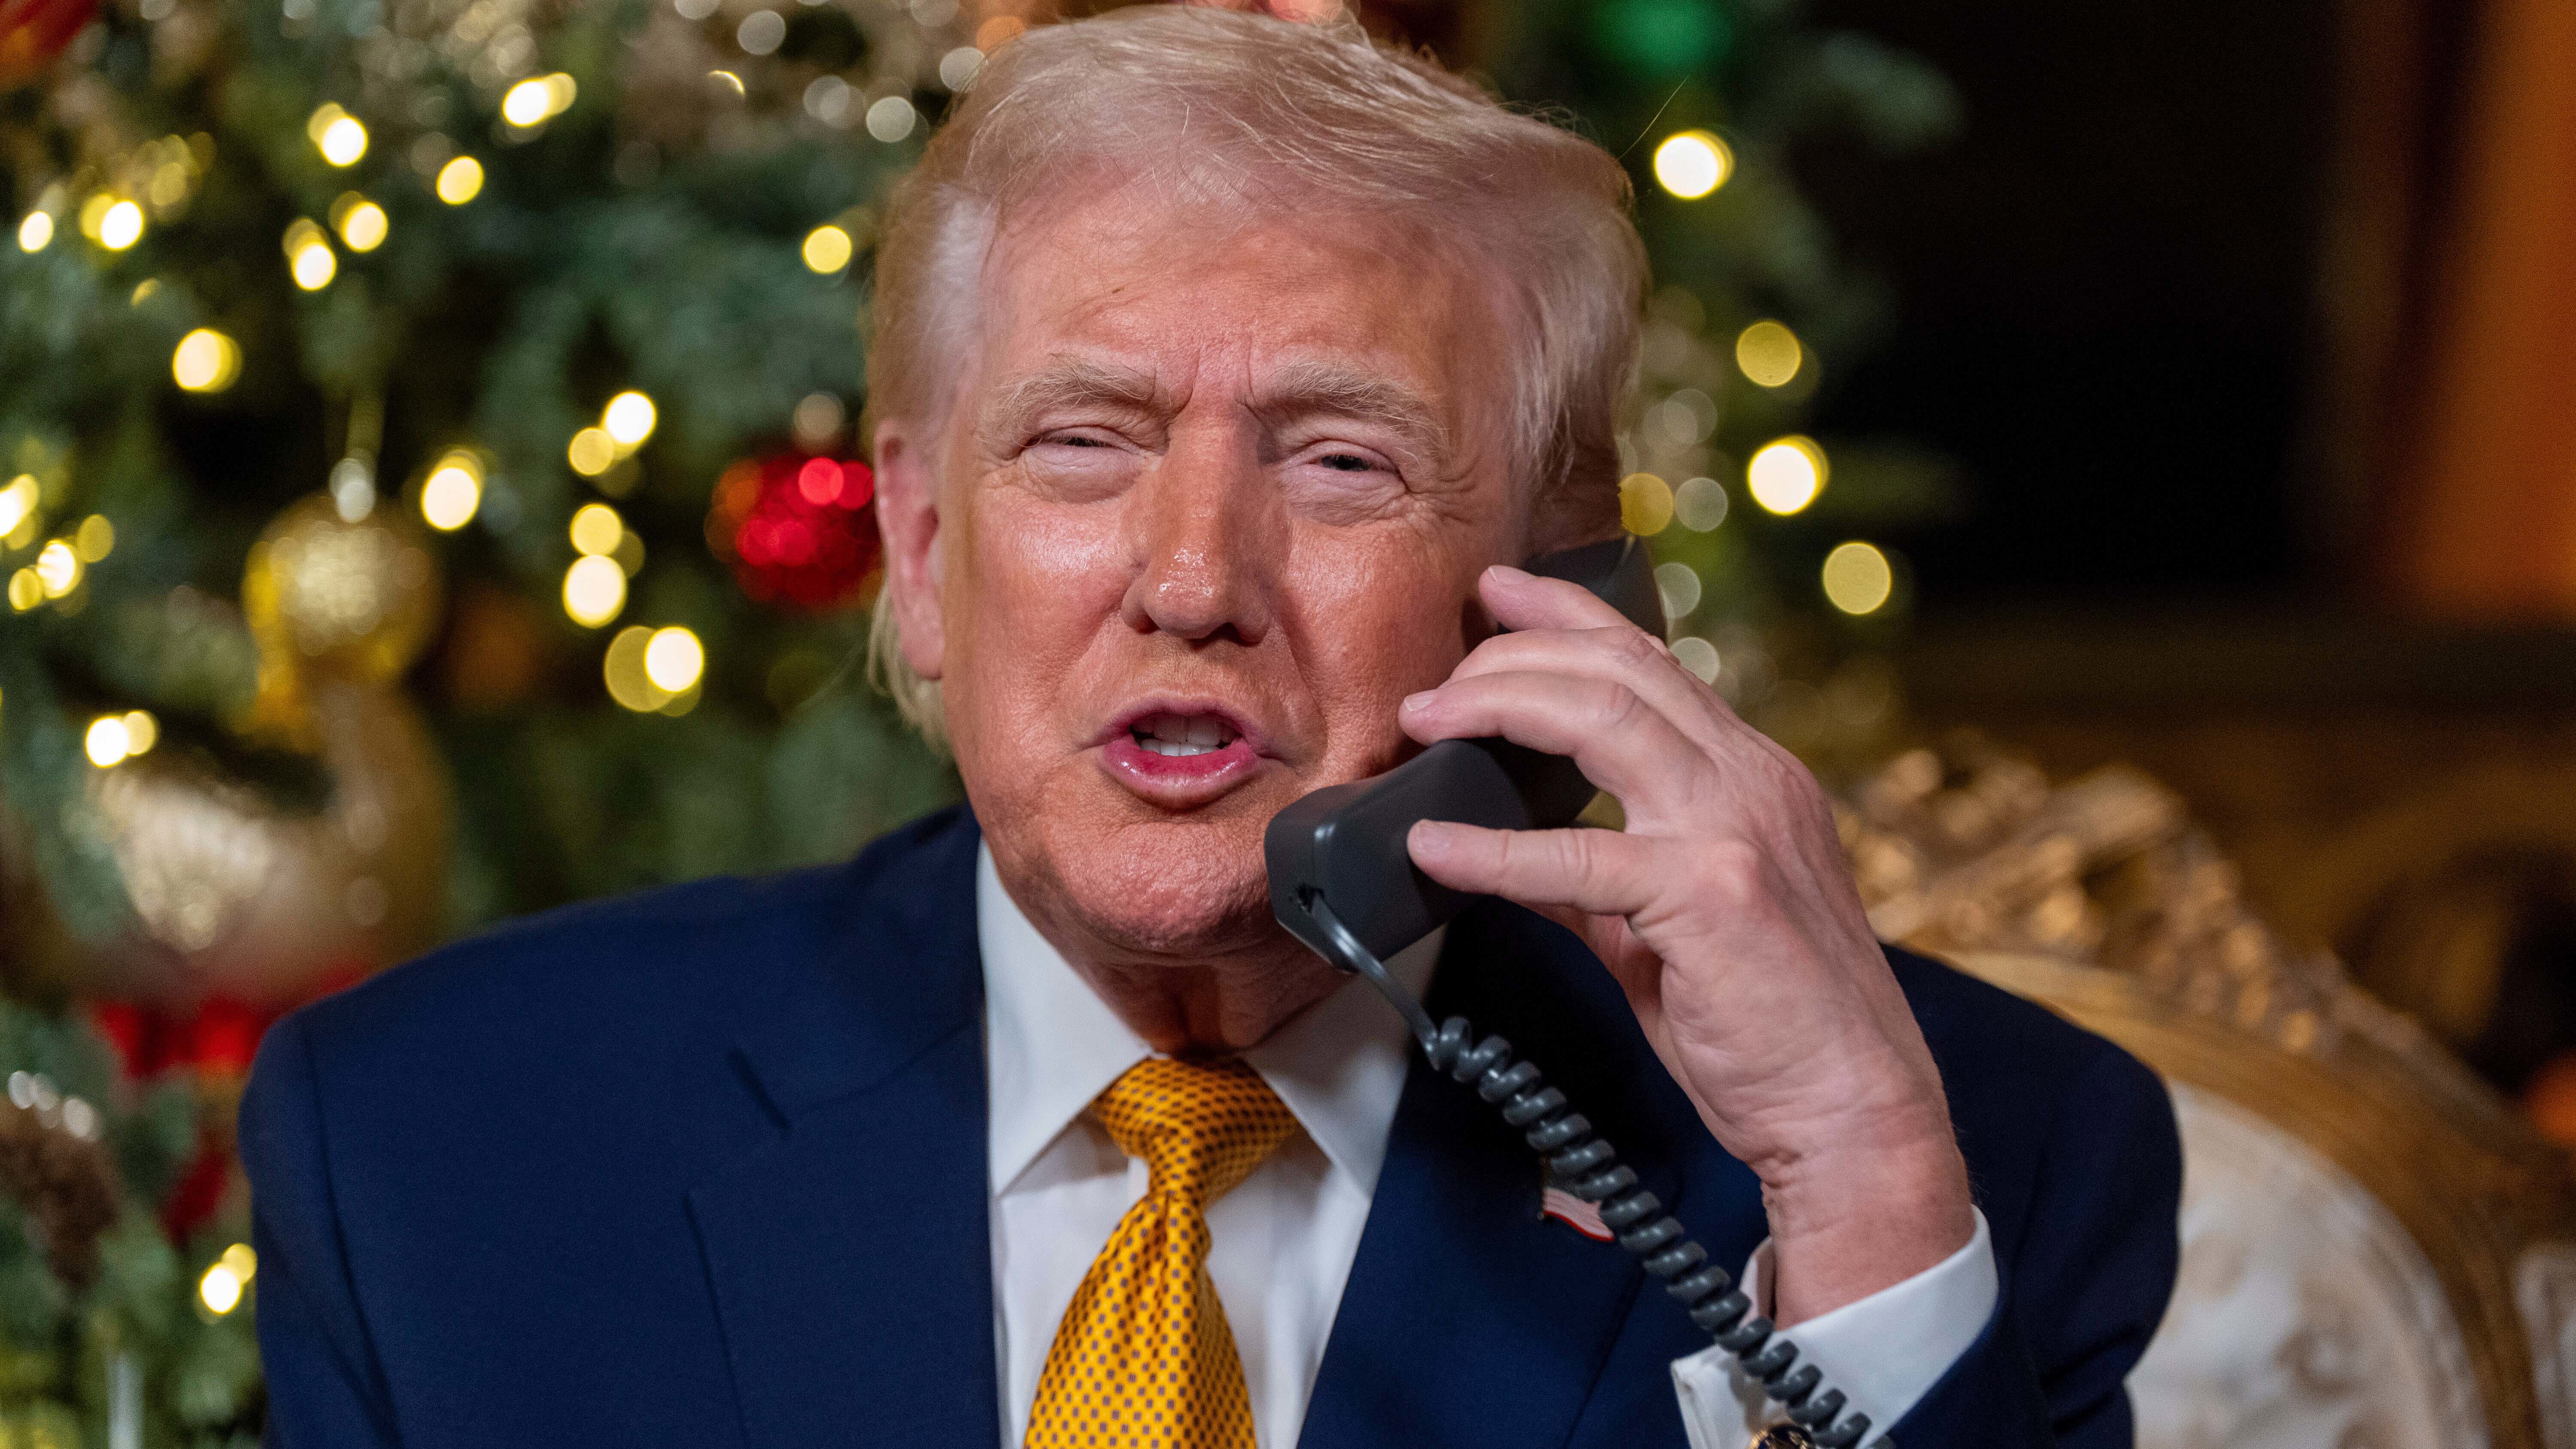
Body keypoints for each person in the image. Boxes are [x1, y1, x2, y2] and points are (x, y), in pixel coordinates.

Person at [240, 9, 2179, 1446]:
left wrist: (1845, 1182)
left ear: (1560, 597)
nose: (1191, 578)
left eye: (1340, 462)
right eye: (1083, 445)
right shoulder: (444, 1148)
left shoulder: (1981, 1155)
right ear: (920, 551)